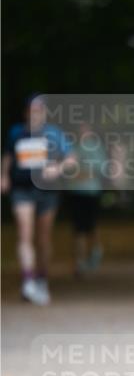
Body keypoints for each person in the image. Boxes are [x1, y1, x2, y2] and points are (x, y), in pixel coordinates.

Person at [1, 95, 76, 305]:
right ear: (26, 112)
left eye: (39, 111)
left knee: (43, 239)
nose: (35, 114)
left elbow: (71, 159)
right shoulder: (16, 132)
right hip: (21, 189)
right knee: (24, 233)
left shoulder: (54, 134)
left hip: (47, 191)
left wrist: (57, 168)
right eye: (32, 110)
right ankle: (28, 281)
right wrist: (4, 176)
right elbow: (8, 155)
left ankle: (41, 279)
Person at [67, 122, 108, 275]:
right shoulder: (72, 147)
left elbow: (101, 168)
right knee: (78, 228)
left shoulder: (95, 147)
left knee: (91, 225)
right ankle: (80, 262)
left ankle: (96, 250)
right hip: (75, 192)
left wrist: (85, 173)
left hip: (91, 192)